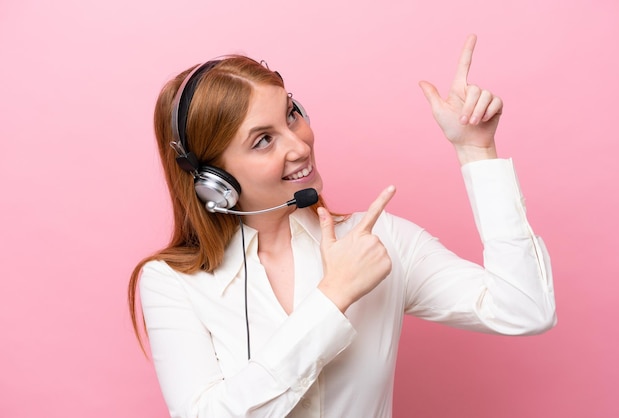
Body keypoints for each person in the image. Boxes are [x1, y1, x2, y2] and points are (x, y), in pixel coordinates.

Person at [128, 34, 556, 418]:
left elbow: (525, 309)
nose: (300, 145)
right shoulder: (171, 282)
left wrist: (477, 151)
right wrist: (333, 297)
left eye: (291, 114)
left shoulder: (378, 240)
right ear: (211, 181)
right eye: (263, 140)